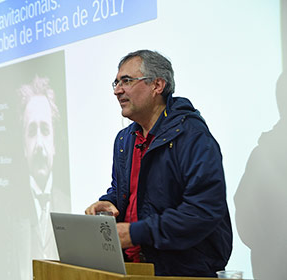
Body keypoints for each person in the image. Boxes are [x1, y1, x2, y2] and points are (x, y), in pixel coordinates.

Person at [85, 50, 232, 277]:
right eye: (116, 82)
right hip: (129, 268)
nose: (117, 90)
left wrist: (135, 233)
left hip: (181, 270)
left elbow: (202, 211)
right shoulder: (125, 139)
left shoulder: (191, 136)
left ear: (157, 85)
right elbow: (128, 192)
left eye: (126, 81)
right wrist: (108, 202)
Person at [18, 75, 69, 260]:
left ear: (54, 143)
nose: (39, 144)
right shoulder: (10, 213)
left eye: (45, 131)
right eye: (32, 132)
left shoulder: (69, 204)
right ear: (24, 146)